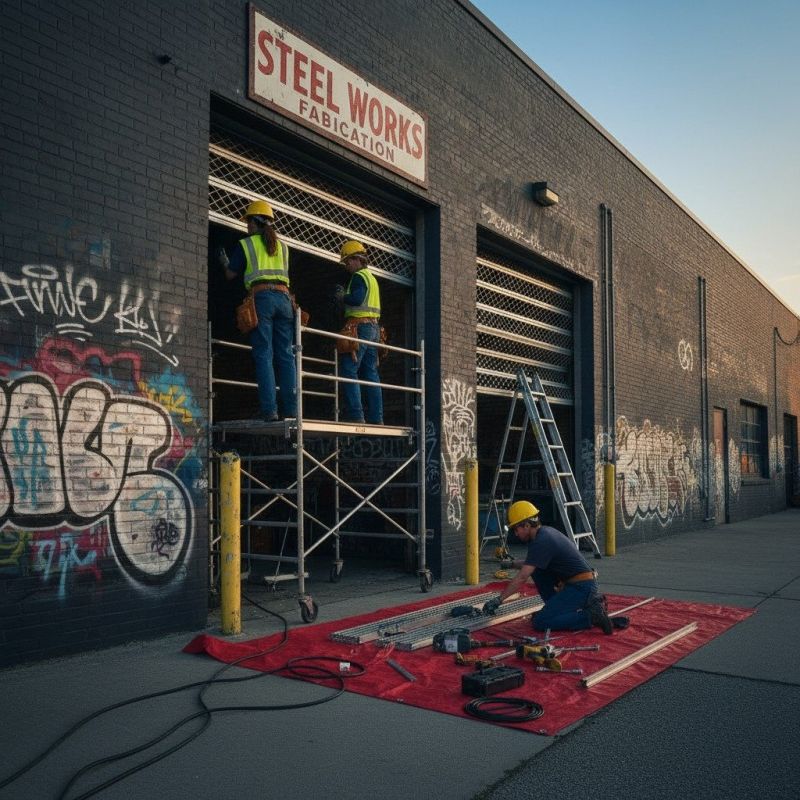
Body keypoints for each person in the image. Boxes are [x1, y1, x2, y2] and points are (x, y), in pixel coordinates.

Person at [482, 500, 623, 634]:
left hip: (582, 588)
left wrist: (498, 600)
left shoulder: (542, 541)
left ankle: (590, 616)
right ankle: (555, 610)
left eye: (516, 528)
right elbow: (530, 563)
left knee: (540, 621)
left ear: (526, 525)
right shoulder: (544, 534)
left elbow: (522, 577)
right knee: (537, 571)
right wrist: (511, 564)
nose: (516, 533)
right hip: (577, 584)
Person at [219, 200, 297, 422]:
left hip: (262, 298)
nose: (246, 226)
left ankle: (270, 410)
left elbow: (230, 275)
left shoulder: (247, 244)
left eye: (248, 222)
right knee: (286, 356)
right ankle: (291, 410)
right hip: (284, 299)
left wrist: (225, 262)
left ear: (254, 223)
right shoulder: (283, 246)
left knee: (264, 354)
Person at [336, 239, 383, 424]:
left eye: (348, 261)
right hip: (374, 328)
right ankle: (377, 418)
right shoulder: (372, 278)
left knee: (349, 369)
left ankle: (356, 415)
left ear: (358, 259)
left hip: (360, 327)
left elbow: (356, 299)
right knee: (371, 373)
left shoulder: (359, 277)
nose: (347, 266)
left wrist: (341, 297)